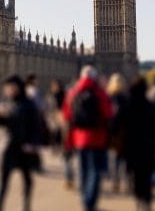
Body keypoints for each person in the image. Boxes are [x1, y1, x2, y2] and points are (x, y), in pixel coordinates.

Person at [62, 65, 114, 211]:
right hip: (97, 138)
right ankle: (89, 202)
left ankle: (85, 198)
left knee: (83, 169)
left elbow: (66, 116)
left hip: (78, 138)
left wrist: (67, 138)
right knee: (95, 171)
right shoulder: (100, 93)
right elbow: (108, 114)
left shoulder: (73, 92)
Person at [0, 75, 41, 211]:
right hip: (10, 144)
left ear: (19, 87)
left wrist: (33, 144)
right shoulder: (6, 101)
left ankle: (26, 205)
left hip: (25, 146)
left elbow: (36, 126)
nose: (9, 90)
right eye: (7, 88)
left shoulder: (28, 103)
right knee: (4, 179)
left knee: (27, 178)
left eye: (12, 87)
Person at [120, 78, 155, 211]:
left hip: (131, 147)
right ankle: (146, 200)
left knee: (136, 176)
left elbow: (116, 125)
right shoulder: (152, 106)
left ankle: (139, 199)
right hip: (148, 147)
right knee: (146, 177)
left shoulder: (127, 106)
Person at [106, 73, 128, 192]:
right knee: (122, 158)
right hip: (123, 132)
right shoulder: (126, 97)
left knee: (113, 157)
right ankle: (123, 180)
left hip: (111, 131)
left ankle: (115, 180)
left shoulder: (107, 97)